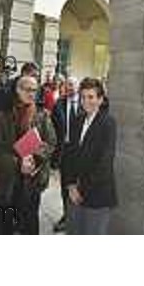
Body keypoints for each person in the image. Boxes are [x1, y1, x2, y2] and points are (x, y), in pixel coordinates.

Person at [0, 75, 56, 235]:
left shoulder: (43, 116)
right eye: (27, 89)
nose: (32, 94)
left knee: (29, 226)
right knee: (4, 227)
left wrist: (34, 159)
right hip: (8, 181)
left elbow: (51, 143)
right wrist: (18, 163)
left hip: (32, 182)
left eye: (35, 90)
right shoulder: (3, 116)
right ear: (17, 90)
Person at [62, 78, 117, 235]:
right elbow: (69, 155)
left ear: (100, 99)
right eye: (83, 97)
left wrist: (81, 189)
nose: (86, 101)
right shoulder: (77, 120)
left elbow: (104, 163)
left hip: (97, 196)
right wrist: (70, 185)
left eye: (91, 97)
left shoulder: (108, 123)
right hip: (74, 194)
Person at [51, 76, 82, 232]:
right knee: (65, 186)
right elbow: (53, 131)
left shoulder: (85, 104)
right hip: (65, 152)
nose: (70, 87)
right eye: (67, 85)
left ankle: (79, 216)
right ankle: (67, 215)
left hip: (82, 153)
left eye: (72, 85)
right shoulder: (58, 105)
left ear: (78, 87)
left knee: (81, 185)